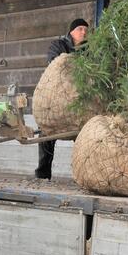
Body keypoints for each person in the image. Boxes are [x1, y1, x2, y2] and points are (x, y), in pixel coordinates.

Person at [35, 18, 89, 180]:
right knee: (46, 134)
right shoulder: (58, 45)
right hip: (58, 99)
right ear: (71, 31)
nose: (84, 32)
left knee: (85, 135)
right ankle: (43, 173)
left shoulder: (89, 50)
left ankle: (84, 176)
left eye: (86, 30)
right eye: (80, 29)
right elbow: (54, 62)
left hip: (80, 101)